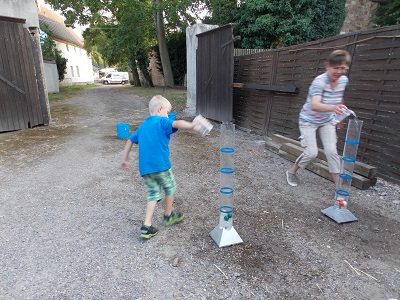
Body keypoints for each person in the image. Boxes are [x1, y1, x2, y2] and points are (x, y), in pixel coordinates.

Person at [121, 95, 203, 239]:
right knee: (170, 188)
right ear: (160, 109)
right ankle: (168, 215)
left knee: (153, 194)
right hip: (161, 166)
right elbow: (177, 123)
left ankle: (146, 226)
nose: (167, 115)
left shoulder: (143, 126)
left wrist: (125, 159)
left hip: (146, 170)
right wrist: (192, 126)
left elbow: (129, 140)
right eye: (167, 111)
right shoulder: (161, 121)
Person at [285, 50, 352, 189]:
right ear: (327, 66)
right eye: (336, 67)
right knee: (311, 153)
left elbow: (339, 97)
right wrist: (334, 108)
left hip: (327, 120)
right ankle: (291, 171)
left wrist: (340, 117)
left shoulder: (344, 80)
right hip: (308, 120)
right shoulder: (319, 82)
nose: (339, 71)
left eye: (343, 68)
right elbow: (315, 105)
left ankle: (339, 189)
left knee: (332, 152)